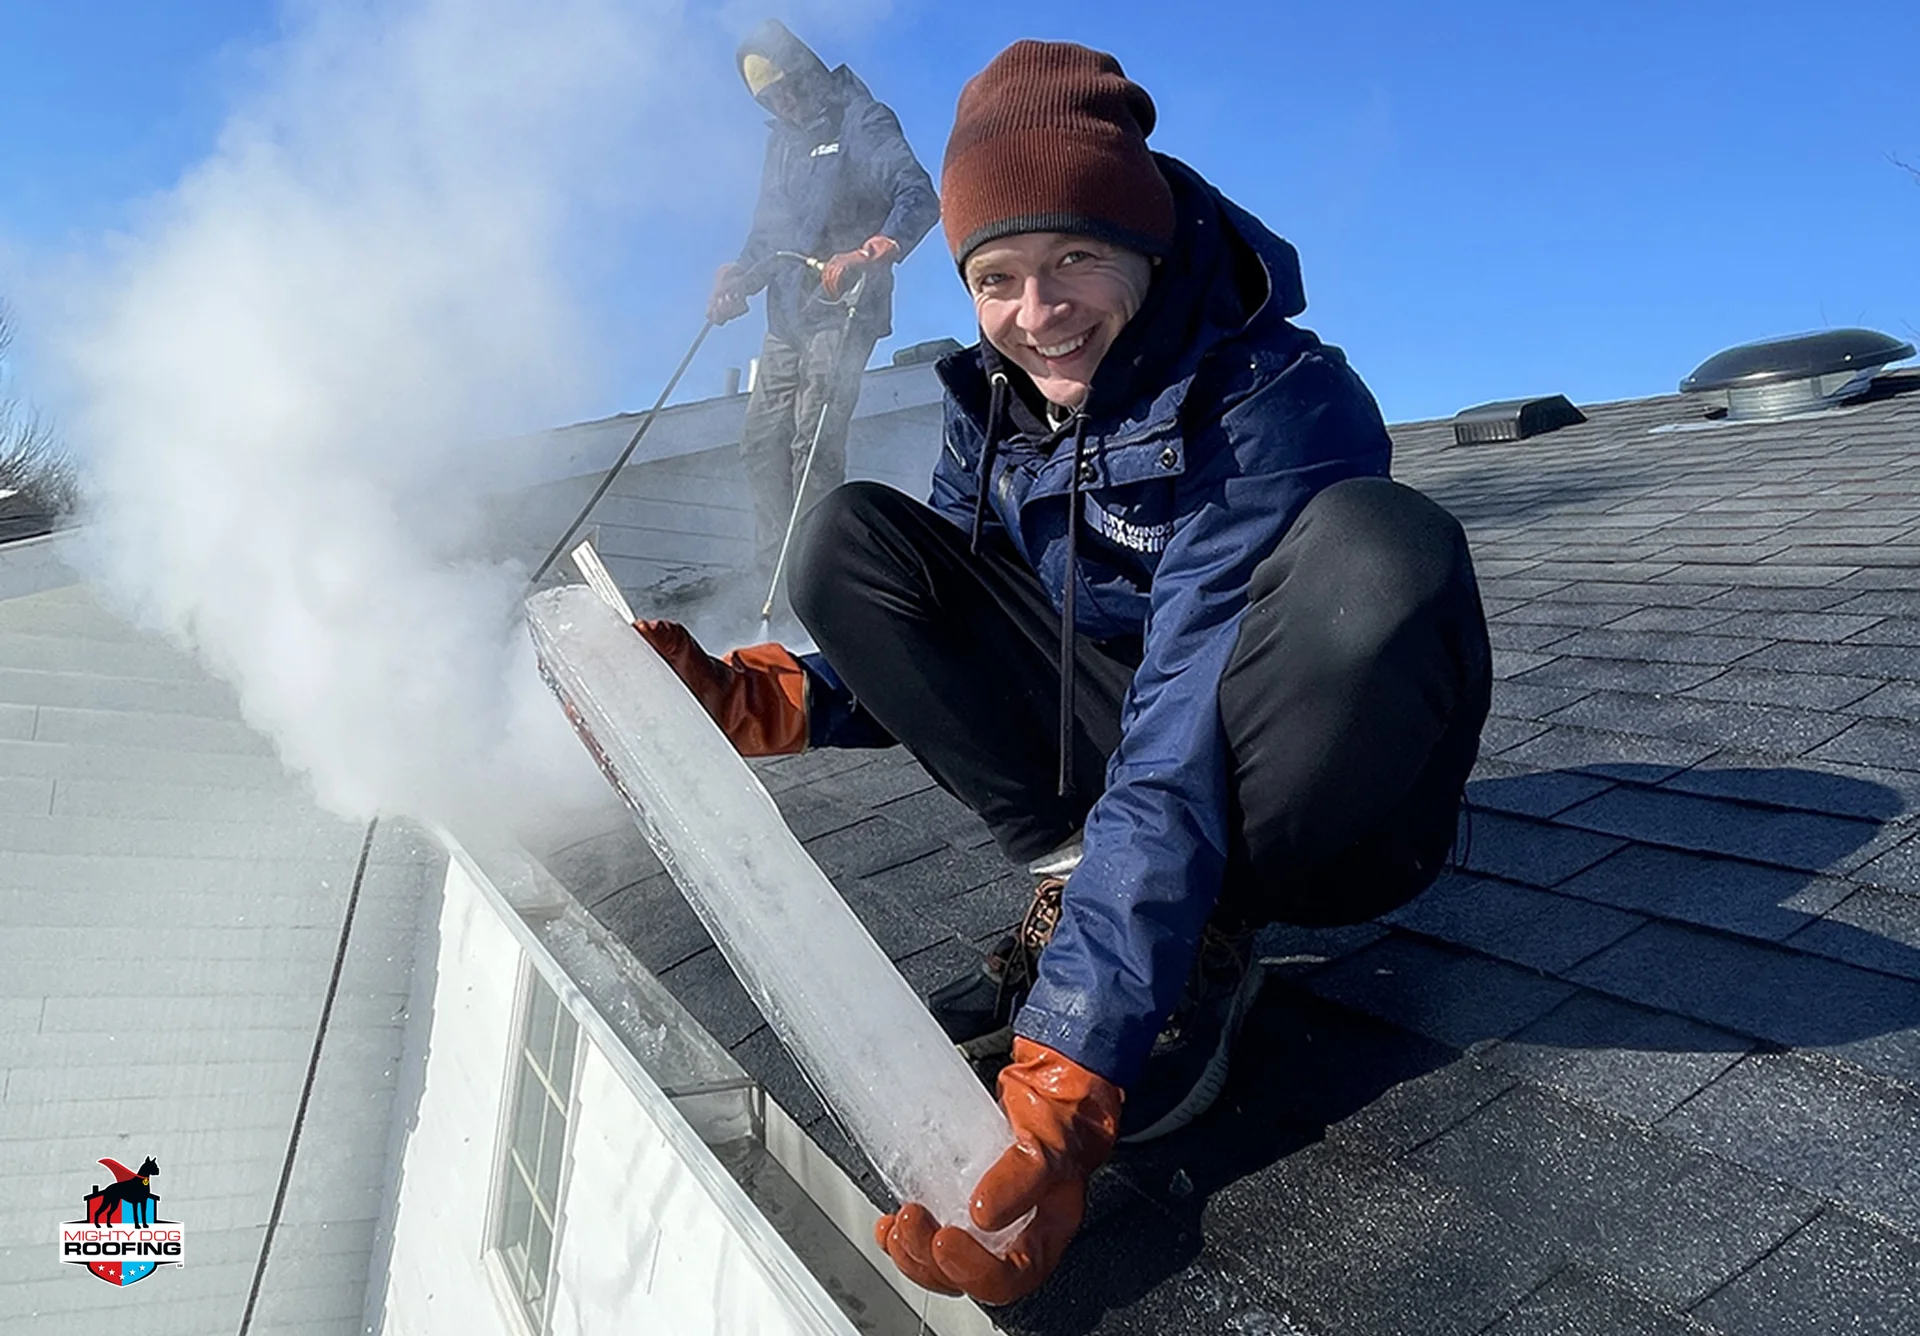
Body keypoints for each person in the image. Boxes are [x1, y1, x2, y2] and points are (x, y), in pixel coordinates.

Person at [641, 40, 1491, 1304]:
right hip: (1147, 763)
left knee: (1381, 554)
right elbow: (973, 638)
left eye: (1074, 260)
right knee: (852, 540)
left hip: (1312, 793)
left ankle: (1197, 937)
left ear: (1142, 245)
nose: (1037, 313)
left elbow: (1182, 717)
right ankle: (1095, 888)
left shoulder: (1276, 402)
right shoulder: (995, 404)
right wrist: (772, 696)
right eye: (996, 277)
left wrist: (1073, 1069)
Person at [710, 19, 940, 596]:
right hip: (787, 316)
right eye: (768, 98)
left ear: (804, 70)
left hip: (843, 309)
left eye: (786, 87)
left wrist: (873, 248)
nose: (782, 103)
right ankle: (776, 576)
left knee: (811, 441)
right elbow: (768, 235)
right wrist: (739, 275)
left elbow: (918, 194)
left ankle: (816, 584)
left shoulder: (860, 118)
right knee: (761, 442)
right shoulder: (781, 143)